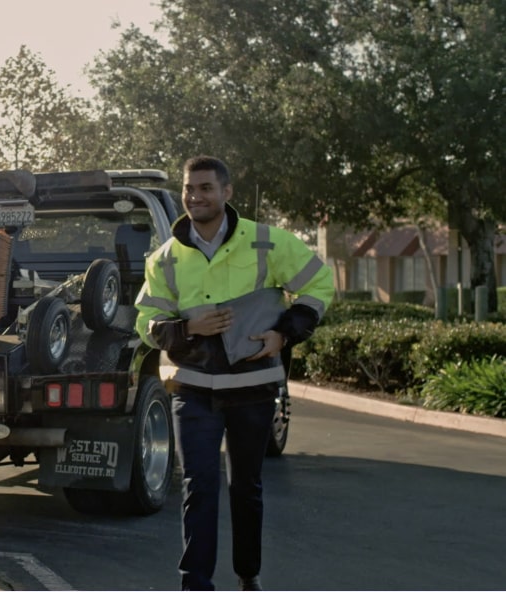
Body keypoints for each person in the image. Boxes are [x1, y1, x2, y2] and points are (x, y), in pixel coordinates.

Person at [134, 156, 333, 591]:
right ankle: (195, 583)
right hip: (193, 391)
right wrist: (187, 328)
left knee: (247, 488)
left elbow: (319, 283)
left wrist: (285, 335)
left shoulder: (268, 242)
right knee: (198, 487)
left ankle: (248, 575)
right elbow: (146, 323)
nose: (195, 196)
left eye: (205, 188)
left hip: (252, 388)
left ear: (227, 193)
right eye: (189, 188)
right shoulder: (165, 258)